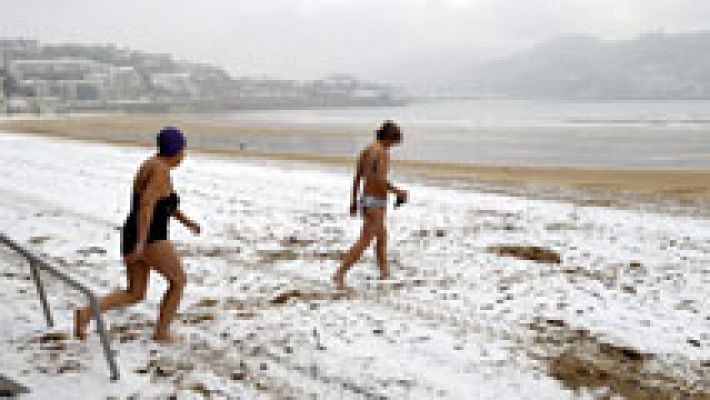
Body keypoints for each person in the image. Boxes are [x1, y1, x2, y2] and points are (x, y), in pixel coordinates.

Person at [74, 126, 201, 343]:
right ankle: (162, 332)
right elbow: (146, 206)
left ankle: (85, 313)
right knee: (178, 281)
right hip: (150, 236)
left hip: (134, 233)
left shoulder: (152, 164)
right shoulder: (160, 171)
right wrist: (141, 244)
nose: (184, 155)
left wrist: (187, 222)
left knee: (135, 293)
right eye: (183, 150)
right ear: (177, 151)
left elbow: (164, 204)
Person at [332, 120, 407, 290]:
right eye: (393, 143)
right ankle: (340, 273)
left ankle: (384, 272)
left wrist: (353, 201)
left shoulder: (366, 150)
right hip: (376, 202)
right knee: (365, 241)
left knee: (382, 237)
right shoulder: (382, 153)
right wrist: (398, 192)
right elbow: (380, 179)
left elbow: (357, 176)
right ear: (388, 138)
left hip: (366, 199)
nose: (392, 147)